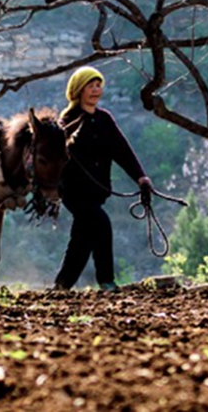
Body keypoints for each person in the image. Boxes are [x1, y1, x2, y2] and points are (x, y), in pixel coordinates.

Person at [53, 67, 152, 291]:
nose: (96, 90)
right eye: (91, 86)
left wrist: (141, 178)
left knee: (82, 239)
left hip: (97, 193)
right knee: (101, 225)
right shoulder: (66, 121)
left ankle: (62, 285)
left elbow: (123, 151)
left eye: (98, 85)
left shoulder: (105, 119)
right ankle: (106, 280)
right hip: (74, 193)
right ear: (79, 90)